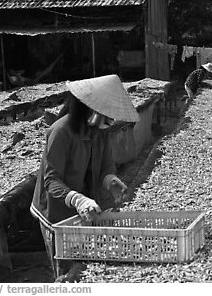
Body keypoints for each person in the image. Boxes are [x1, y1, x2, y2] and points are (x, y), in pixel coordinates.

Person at [30, 74, 140, 276]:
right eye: (107, 113)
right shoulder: (60, 132)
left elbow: (106, 164)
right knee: (65, 265)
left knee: (84, 258)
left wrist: (110, 180)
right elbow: (51, 180)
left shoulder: (101, 132)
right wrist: (77, 200)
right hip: (56, 211)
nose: (111, 119)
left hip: (86, 205)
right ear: (91, 108)